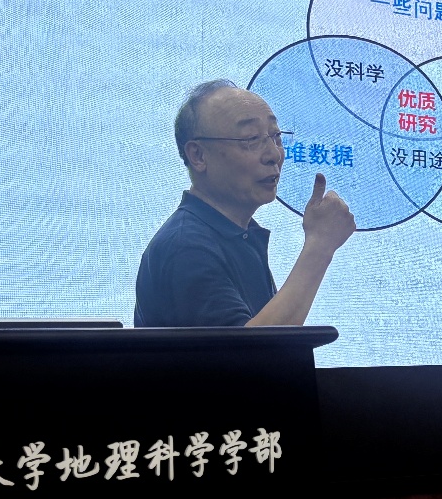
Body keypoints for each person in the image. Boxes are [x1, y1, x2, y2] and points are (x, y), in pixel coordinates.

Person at [133, 79, 356, 327]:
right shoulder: (186, 246)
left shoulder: (239, 233)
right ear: (198, 155)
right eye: (251, 138)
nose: (274, 155)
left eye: (276, 137)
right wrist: (320, 245)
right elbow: (252, 349)